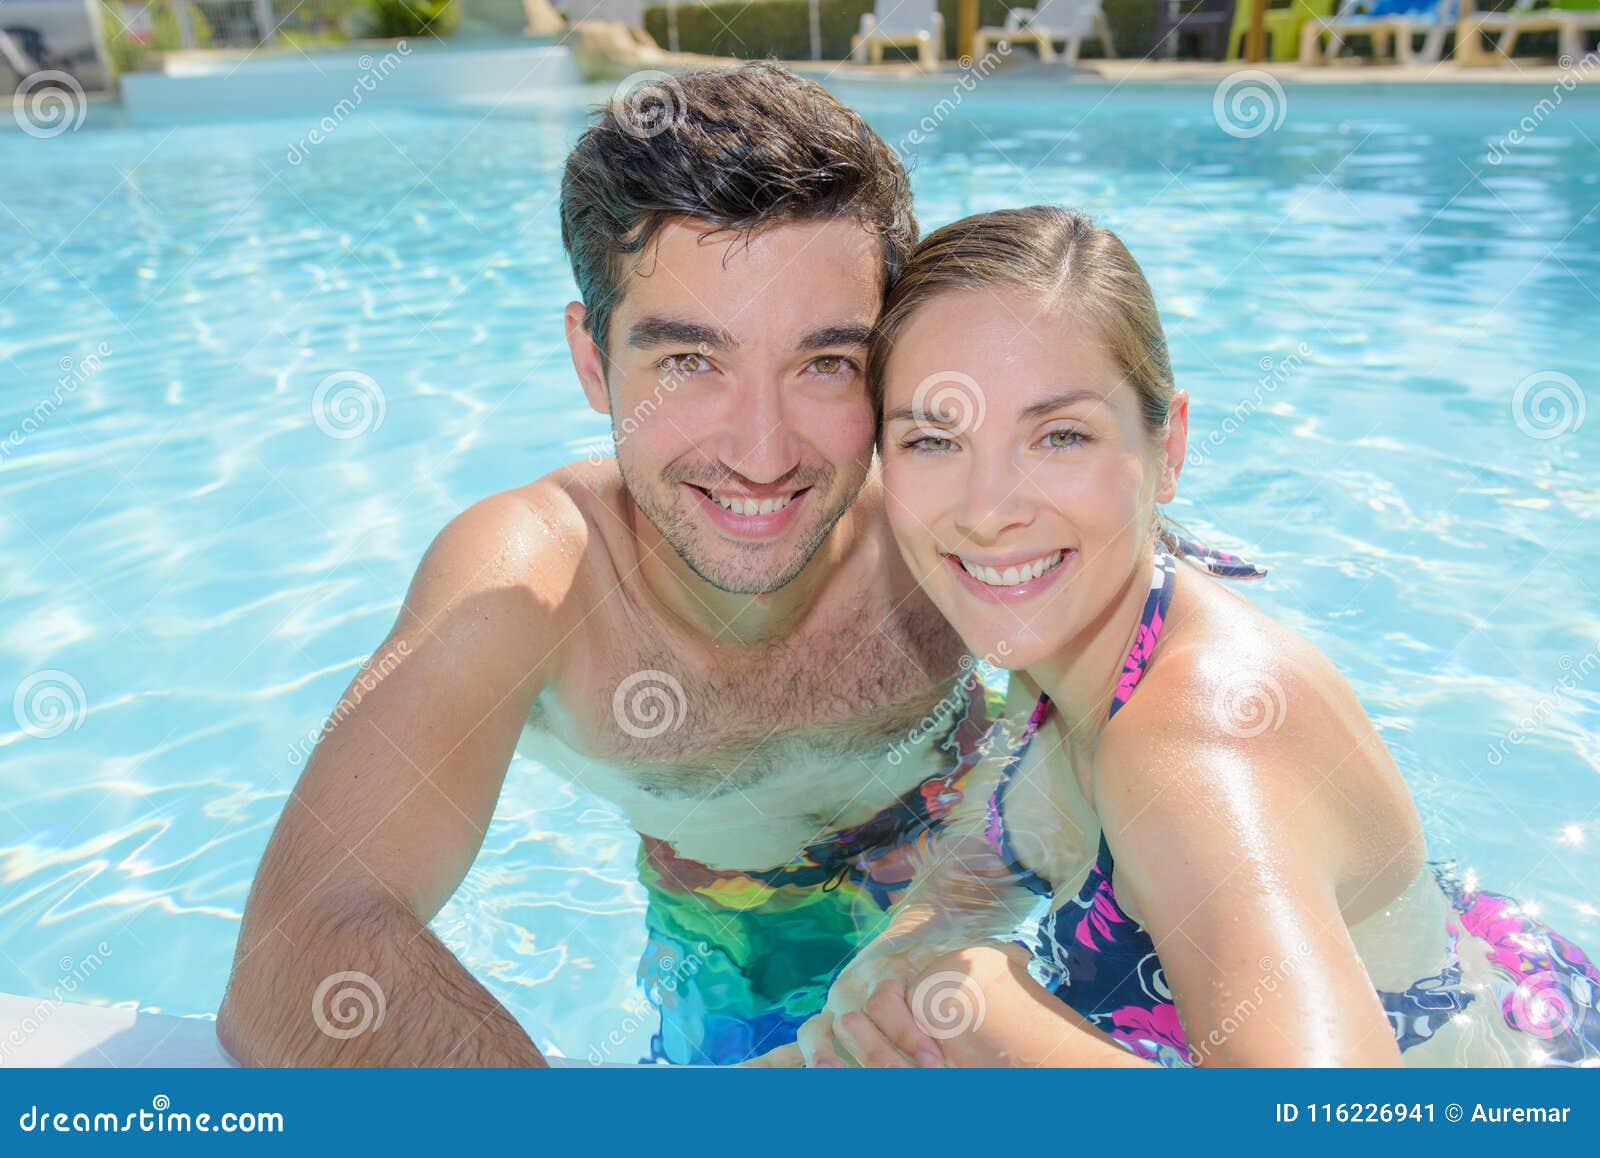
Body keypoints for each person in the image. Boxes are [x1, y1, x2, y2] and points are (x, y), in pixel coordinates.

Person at [215, 64, 1003, 1068]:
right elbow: (304, 947)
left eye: (824, 364)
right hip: (741, 925)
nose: (761, 453)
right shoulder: (535, 573)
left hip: (988, 882)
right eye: (688, 361)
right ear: (593, 362)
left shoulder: (956, 519)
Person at [782, 206, 1600, 1068]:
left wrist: (990, 1014)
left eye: (1060, 436)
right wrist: (902, 962)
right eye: (933, 440)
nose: (988, 514)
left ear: (1166, 447)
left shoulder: (1191, 741)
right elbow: (992, 849)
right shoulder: (1071, 631)